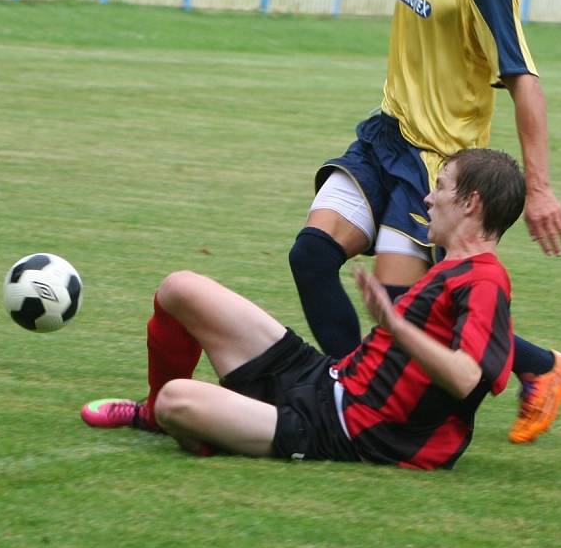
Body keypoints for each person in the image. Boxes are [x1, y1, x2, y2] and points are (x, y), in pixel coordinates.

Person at [288, 0, 561, 445]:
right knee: (311, 256)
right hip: (383, 138)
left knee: (404, 308)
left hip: (431, 165)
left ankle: (543, 366)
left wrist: (541, 190)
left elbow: (524, 82)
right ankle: (346, 390)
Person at [83, 149, 527, 470]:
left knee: (180, 400)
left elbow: (467, 376)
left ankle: (196, 422)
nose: (428, 199)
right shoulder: (450, 268)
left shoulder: (484, 280)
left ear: (470, 203)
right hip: (328, 380)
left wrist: (393, 323)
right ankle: (169, 416)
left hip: (345, 429)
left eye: (441, 188)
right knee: (180, 289)